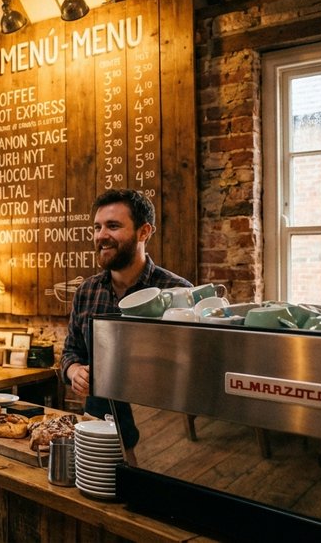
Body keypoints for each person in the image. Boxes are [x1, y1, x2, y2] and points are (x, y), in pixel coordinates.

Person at [61, 189, 192, 449]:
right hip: (97, 424)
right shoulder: (87, 291)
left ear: (144, 232)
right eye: (97, 227)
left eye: (113, 226)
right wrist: (74, 371)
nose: (101, 235)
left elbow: (191, 369)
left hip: (162, 431)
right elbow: (70, 351)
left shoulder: (178, 293)